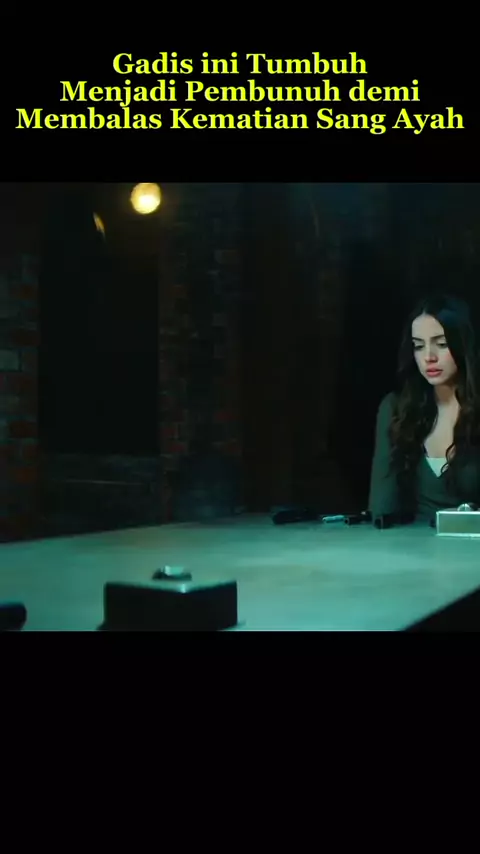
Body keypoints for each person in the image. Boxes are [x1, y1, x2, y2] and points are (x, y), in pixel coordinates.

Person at [368, 294, 480, 523]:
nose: (429, 357)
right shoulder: (396, 409)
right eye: (419, 346)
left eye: (441, 344)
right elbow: (381, 508)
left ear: (461, 343)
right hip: (411, 543)